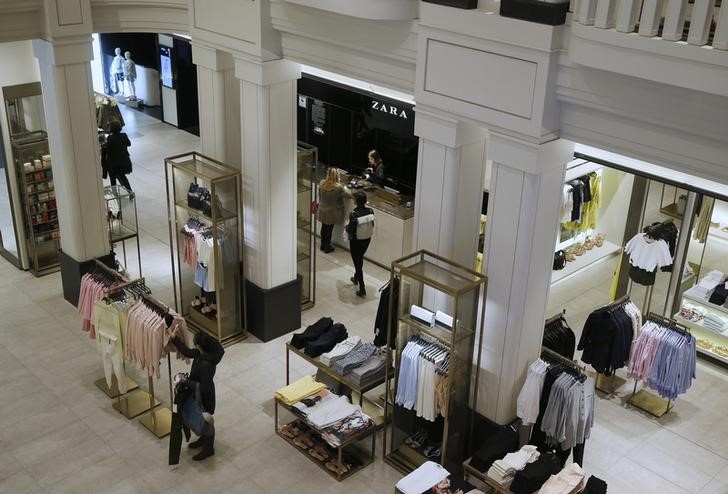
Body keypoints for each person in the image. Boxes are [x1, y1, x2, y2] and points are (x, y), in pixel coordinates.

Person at [170, 323, 225, 461]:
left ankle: (209, 448)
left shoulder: (206, 364)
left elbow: (205, 387)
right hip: (197, 394)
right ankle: (204, 440)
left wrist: (185, 381)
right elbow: (187, 351)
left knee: (205, 421)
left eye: (196, 345)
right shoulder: (200, 354)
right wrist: (174, 338)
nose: (195, 347)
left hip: (205, 397)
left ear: (201, 346)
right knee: (199, 419)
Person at [346, 191, 375, 297]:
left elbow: (351, 230)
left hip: (356, 242)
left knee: (357, 263)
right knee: (360, 258)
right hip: (367, 239)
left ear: (356, 201)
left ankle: (362, 288)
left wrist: (347, 228)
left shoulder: (354, 214)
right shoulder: (370, 210)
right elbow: (372, 224)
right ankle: (356, 277)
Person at [317, 167, 352, 253]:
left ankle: (322, 245)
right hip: (332, 212)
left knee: (324, 228)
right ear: (337, 176)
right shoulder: (338, 187)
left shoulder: (322, 183)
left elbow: (319, 195)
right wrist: (345, 188)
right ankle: (327, 247)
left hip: (322, 210)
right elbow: (349, 195)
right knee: (329, 229)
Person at [102, 120, 133, 190]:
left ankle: (115, 194)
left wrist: (104, 146)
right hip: (124, 160)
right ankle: (130, 191)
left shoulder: (110, 138)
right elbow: (129, 143)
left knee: (113, 180)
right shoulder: (124, 135)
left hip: (113, 163)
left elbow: (108, 150)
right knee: (122, 177)